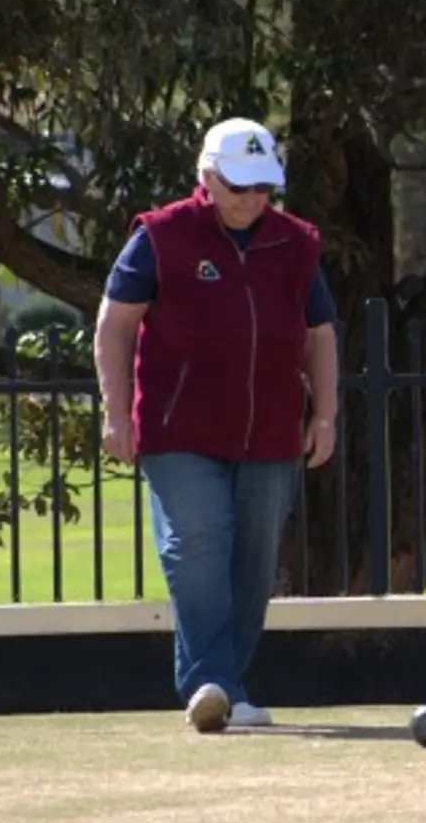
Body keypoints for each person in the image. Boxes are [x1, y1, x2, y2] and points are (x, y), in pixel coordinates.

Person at [95, 118, 340, 733]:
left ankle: (223, 685)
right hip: (179, 432)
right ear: (207, 178)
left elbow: (320, 335)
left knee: (254, 563)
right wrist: (116, 414)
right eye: (238, 187)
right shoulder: (159, 237)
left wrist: (327, 415)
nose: (251, 199)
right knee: (199, 544)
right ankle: (214, 683)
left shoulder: (295, 242)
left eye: (262, 187)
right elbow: (115, 326)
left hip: (272, 432)